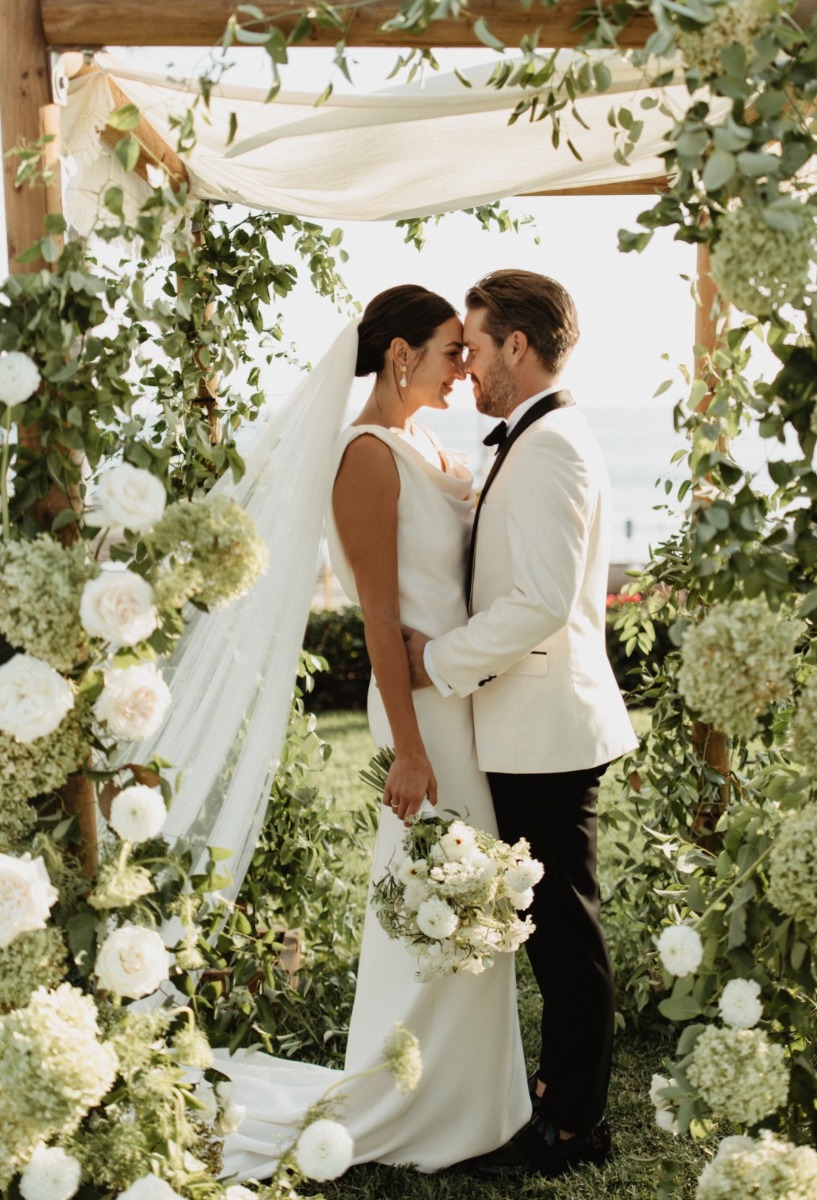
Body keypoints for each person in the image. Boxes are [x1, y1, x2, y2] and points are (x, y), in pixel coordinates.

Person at [215, 285, 531, 1180]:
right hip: (425, 716)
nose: (463, 364)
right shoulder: (363, 457)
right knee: (434, 904)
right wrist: (410, 747)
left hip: (463, 704)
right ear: (400, 354)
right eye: (448, 350)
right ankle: (421, 1108)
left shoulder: (424, 443)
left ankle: (476, 1103)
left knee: (474, 900)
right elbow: (381, 623)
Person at [404, 269, 638, 1178]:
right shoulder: (531, 440)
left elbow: (539, 601)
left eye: (476, 340)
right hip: (529, 722)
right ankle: (557, 1096)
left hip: (544, 726)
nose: (468, 362)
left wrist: (436, 659)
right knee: (552, 928)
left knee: (565, 935)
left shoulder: (550, 446)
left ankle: (573, 1128)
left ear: (517, 345)